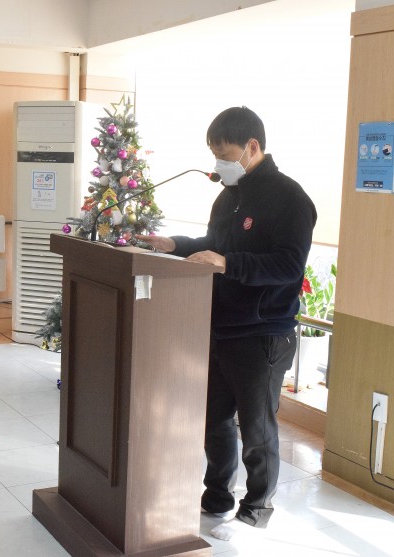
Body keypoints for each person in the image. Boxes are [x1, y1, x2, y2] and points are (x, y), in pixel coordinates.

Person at [137, 106, 316, 540]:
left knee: (257, 428)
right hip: (220, 326)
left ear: (252, 147)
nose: (218, 162)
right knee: (213, 420)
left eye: (225, 153)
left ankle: (256, 511)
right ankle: (216, 496)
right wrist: (174, 244)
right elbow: (214, 246)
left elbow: (289, 266)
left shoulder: (290, 198)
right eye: (214, 153)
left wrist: (228, 263)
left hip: (263, 331)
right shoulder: (228, 197)